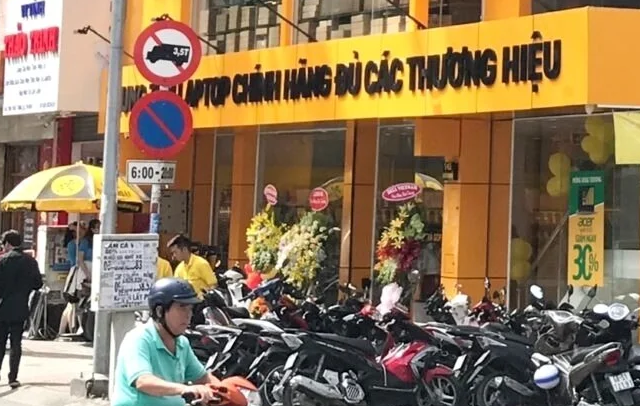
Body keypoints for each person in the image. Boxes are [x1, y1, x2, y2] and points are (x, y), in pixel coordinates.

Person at [111, 278, 219, 406]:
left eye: (190, 309)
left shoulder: (182, 343)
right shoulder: (138, 339)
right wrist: (185, 389)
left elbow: (203, 378)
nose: (188, 315)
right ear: (160, 311)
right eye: (182, 308)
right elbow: (143, 381)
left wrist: (224, 390)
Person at [0, 230, 43, 388]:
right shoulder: (30, 261)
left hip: (3, 307)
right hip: (21, 306)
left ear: (8, 244)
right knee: (16, 343)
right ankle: (13, 377)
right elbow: (38, 284)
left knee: (0, 343)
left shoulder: (3, 261)